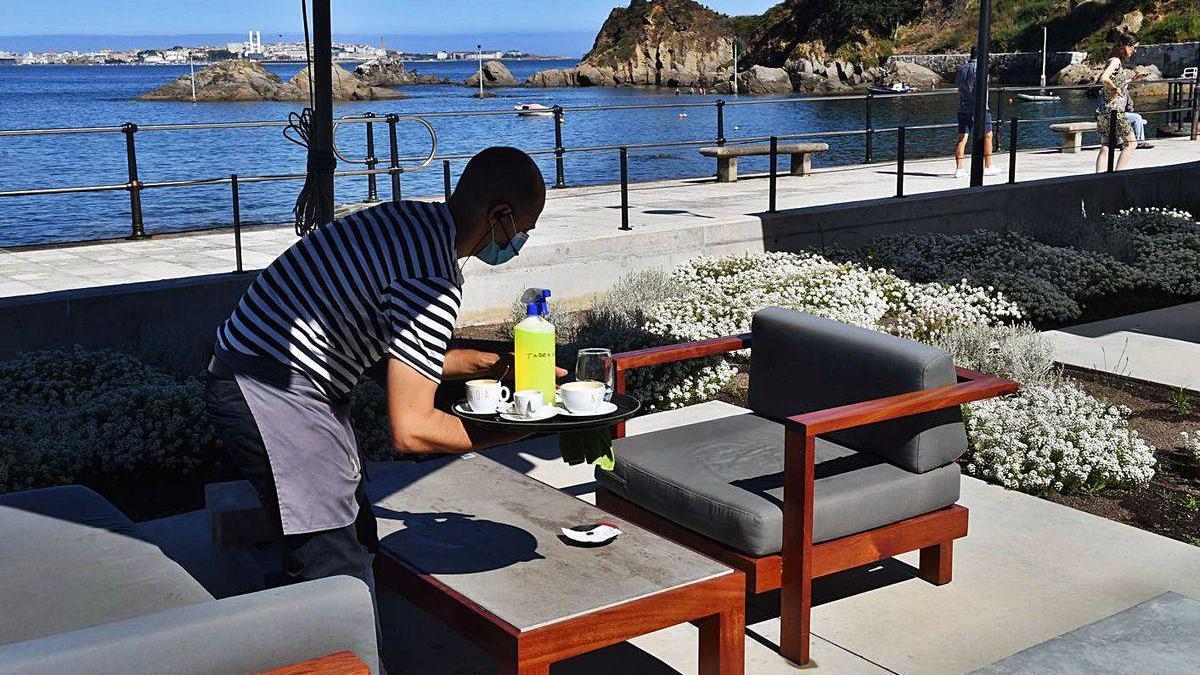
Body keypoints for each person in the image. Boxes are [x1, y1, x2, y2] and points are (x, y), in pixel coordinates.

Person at [204, 146, 552, 586]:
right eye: (522, 231)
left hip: (255, 367)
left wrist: (492, 366)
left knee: (358, 539)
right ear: (499, 214)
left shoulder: (411, 222)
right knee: (333, 568)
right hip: (273, 393)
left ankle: (331, 641)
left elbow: (406, 357)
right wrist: (529, 426)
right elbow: (413, 430)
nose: (518, 246)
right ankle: (339, 653)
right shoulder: (431, 280)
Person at [1095, 27, 1141, 172]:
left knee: (1106, 145)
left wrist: (1130, 80)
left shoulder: (1114, 61)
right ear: (1127, 45)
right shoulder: (1115, 61)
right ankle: (1118, 174)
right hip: (1114, 111)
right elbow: (1104, 78)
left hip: (1104, 110)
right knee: (1131, 143)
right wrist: (1114, 88)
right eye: (1135, 48)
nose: (1135, 51)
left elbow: (1116, 83)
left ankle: (1099, 177)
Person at [954, 45, 996, 178]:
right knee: (988, 135)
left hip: (963, 107)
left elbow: (959, 87)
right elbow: (980, 87)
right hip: (980, 107)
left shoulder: (962, 69)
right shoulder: (980, 69)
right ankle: (988, 166)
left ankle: (959, 169)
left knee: (963, 137)